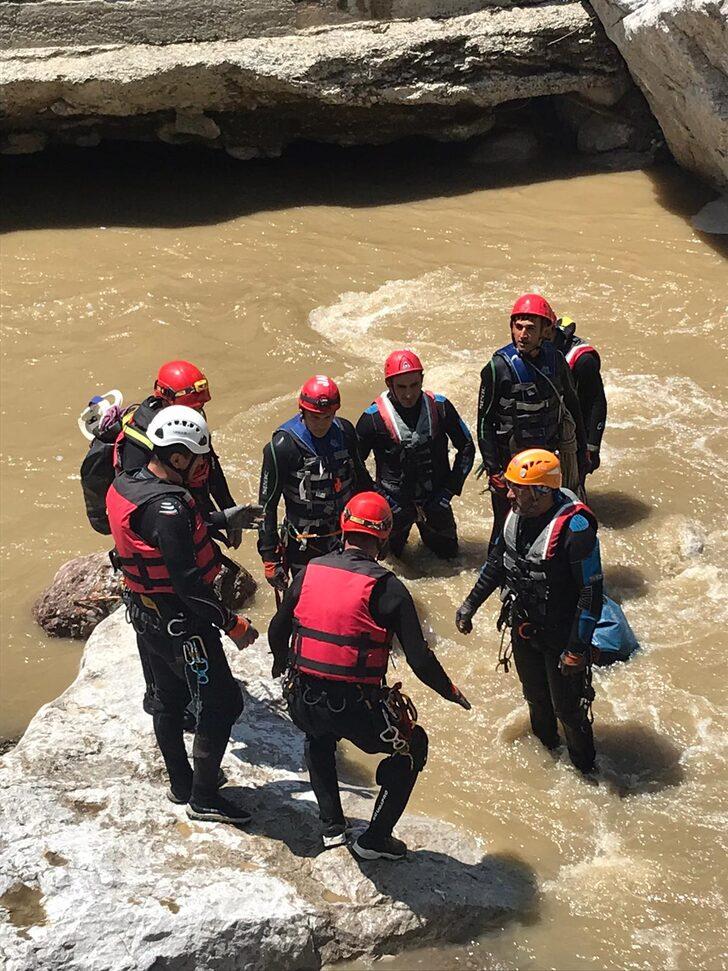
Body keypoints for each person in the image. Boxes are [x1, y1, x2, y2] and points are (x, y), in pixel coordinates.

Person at [268, 491, 471, 859]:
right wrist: (450, 691)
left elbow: (277, 629)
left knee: (318, 738)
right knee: (413, 746)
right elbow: (419, 659)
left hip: (303, 701)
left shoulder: (310, 570)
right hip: (355, 708)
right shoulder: (389, 587)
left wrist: (281, 663)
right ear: (385, 534)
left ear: (343, 526)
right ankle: (375, 839)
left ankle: (332, 827)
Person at [106, 405, 260, 824]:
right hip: (181, 623)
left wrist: (223, 517)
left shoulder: (129, 482)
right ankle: (204, 798)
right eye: (199, 459)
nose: (204, 467)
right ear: (177, 457)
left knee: (167, 698)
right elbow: (189, 584)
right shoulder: (168, 507)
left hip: (147, 616)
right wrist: (231, 623)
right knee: (223, 703)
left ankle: (181, 782)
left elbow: (163, 531)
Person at [455, 449, 601, 775]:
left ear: (541, 491)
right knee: (535, 697)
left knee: (568, 709)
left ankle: (586, 770)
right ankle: (548, 758)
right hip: (524, 624)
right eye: (510, 486)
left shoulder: (576, 529)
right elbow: (497, 562)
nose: (509, 494)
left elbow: (591, 593)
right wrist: (470, 605)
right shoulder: (516, 515)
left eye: (517, 488)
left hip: (562, 634)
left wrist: (576, 649)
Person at [477, 294, 587, 550]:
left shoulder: (556, 360)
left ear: (546, 331)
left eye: (530, 328)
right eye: (518, 327)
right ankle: (497, 570)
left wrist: (582, 452)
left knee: (549, 524)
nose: (523, 335)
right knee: (504, 526)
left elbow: (572, 405)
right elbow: (484, 423)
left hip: (546, 463)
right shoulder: (497, 367)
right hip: (510, 464)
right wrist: (494, 471)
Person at [257, 375, 373, 591]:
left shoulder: (345, 432)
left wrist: (376, 527)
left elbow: (362, 480)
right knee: (308, 596)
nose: (321, 424)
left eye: (327, 417)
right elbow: (267, 505)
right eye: (315, 417)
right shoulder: (281, 447)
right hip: (304, 542)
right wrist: (269, 556)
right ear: (302, 411)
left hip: (345, 535)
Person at [356, 350, 475, 559]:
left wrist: (449, 491)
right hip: (394, 506)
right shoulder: (372, 419)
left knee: (450, 559)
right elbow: (354, 465)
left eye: (414, 385)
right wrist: (381, 498)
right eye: (401, 387)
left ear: (422, 379)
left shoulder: (440, 407)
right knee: (390, 563)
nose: (409, 394)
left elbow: (466, 447)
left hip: (436, 500)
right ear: (389, 384)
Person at [546, 315, 607, 479]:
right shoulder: (531, 350)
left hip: (574, 434)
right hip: (546, 430)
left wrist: (592, 447)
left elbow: (597, 402)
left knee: (573, 482)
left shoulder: (583, 360)